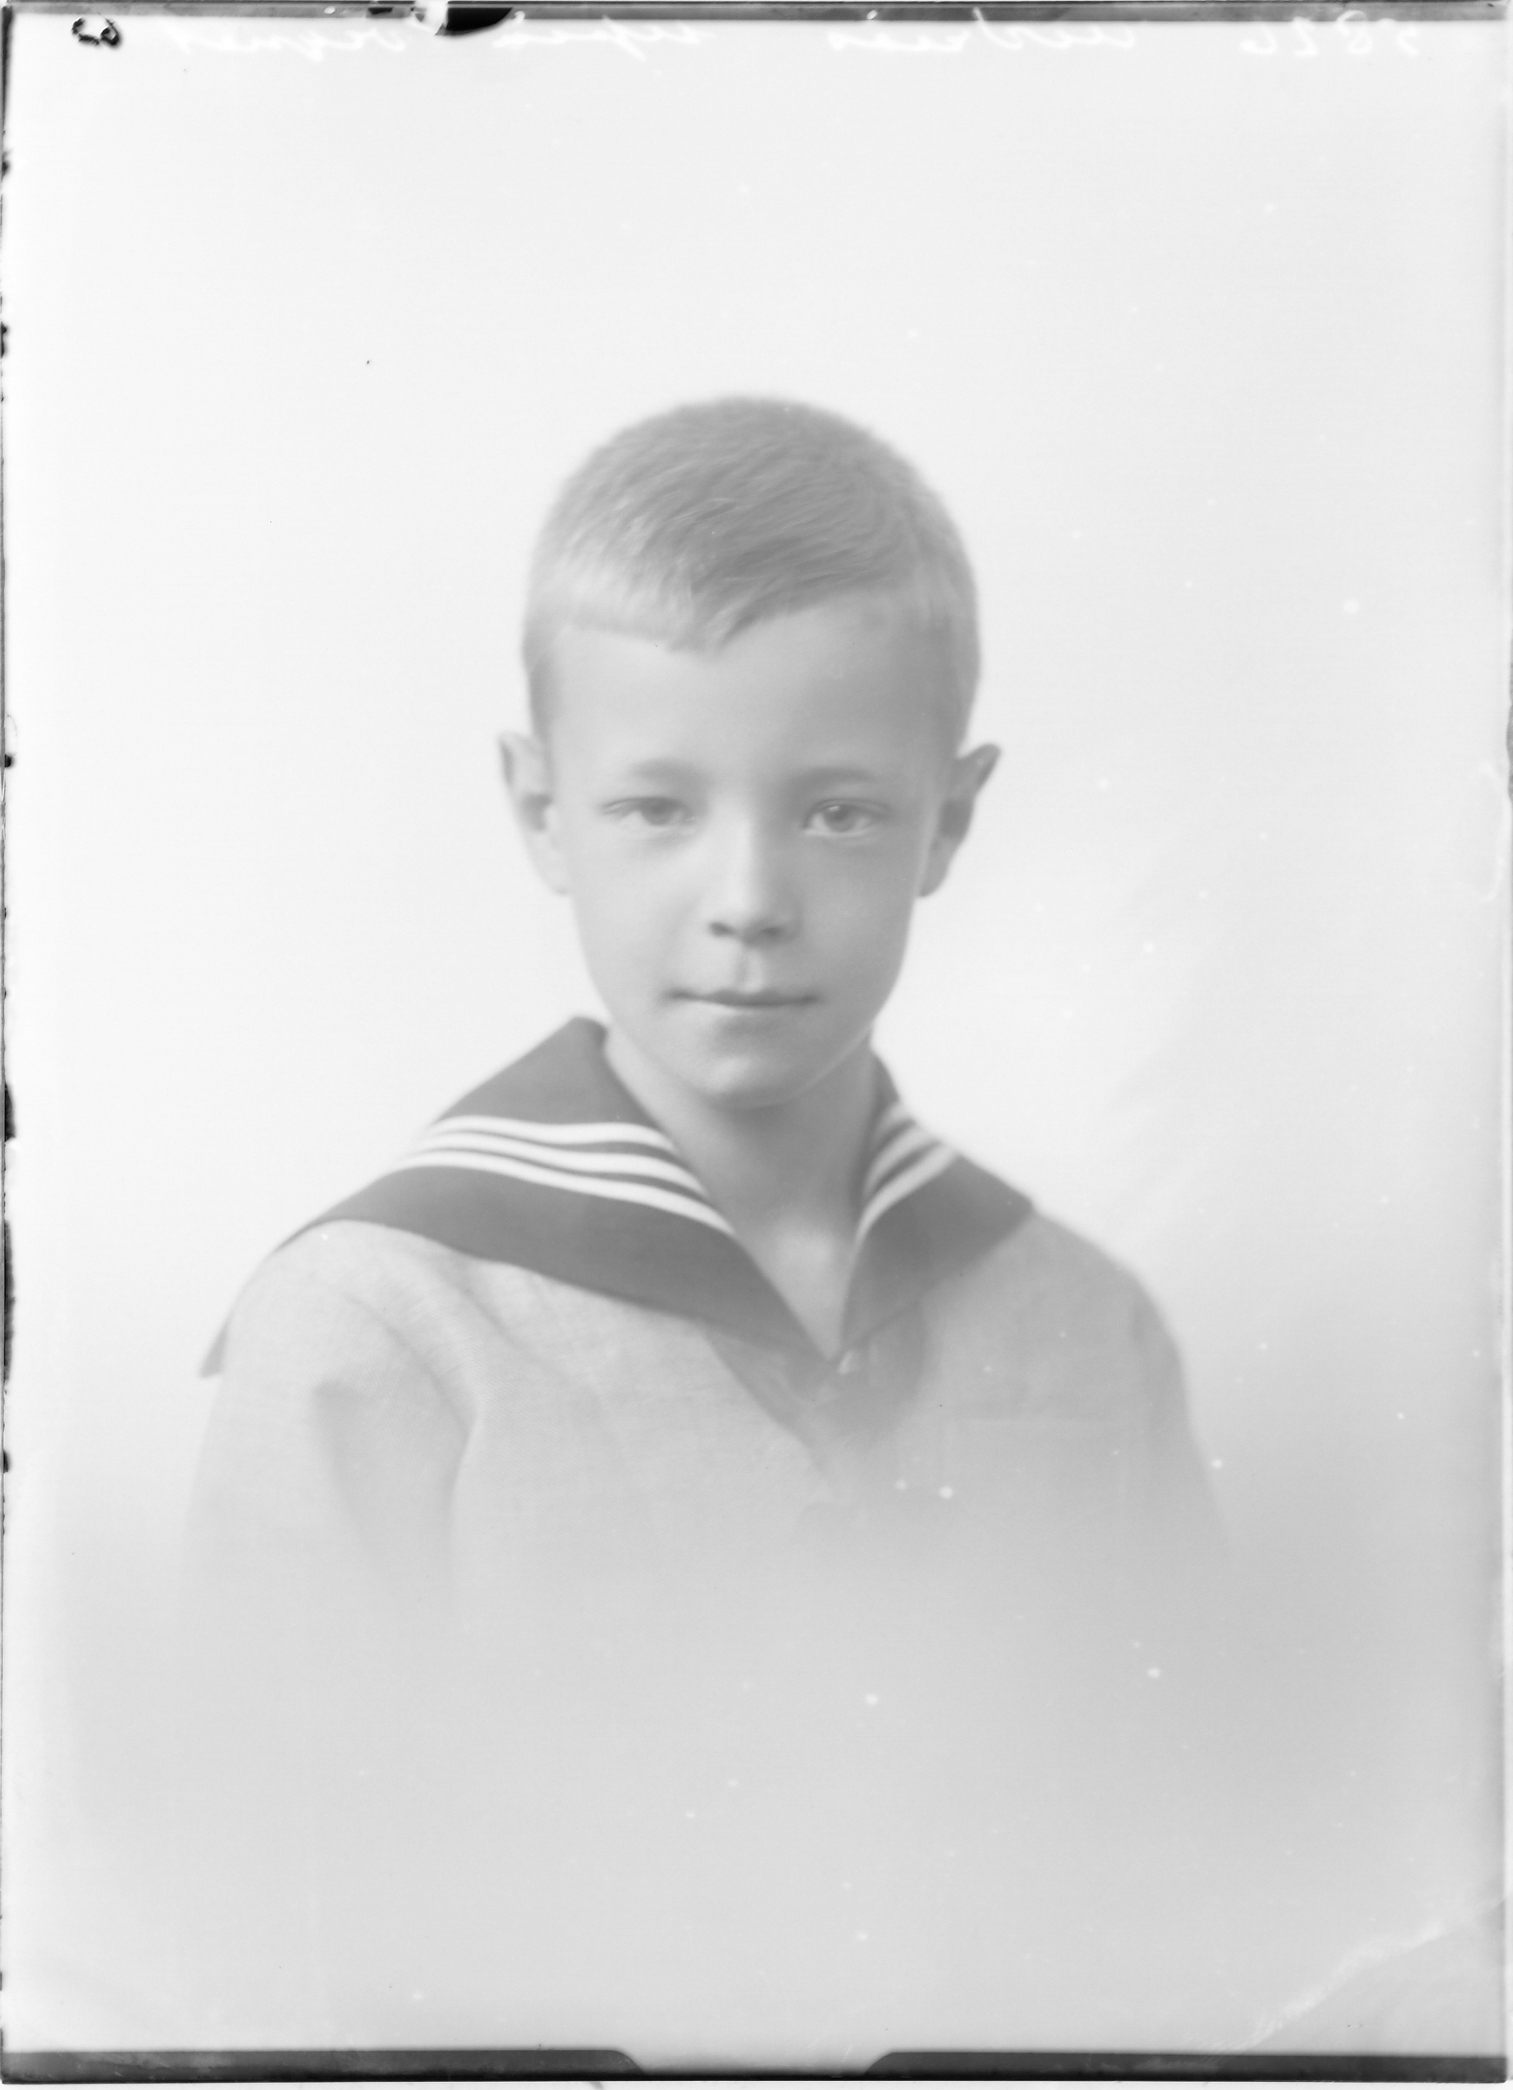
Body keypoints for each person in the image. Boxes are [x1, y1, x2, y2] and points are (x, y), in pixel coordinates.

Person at [180, 397, 1221, 2055]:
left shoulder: (1082, 1322)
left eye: (838, 810)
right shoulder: (372, 1324)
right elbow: (267, 1924)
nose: (747, 899)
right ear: (539, 808)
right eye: (658, 807)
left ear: (950, 819)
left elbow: (1195, 1869)